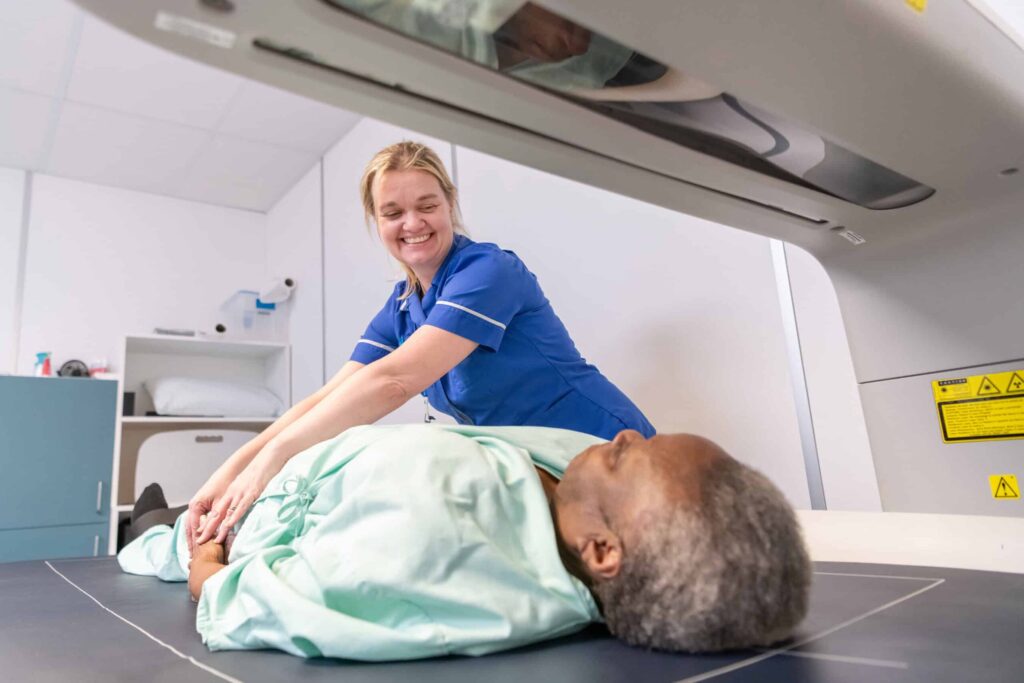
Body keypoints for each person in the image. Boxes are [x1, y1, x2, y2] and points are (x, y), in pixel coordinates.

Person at [187, 141, 654, 552]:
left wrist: (273, 460)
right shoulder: (403, 306)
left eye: (426, 205)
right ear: (377, 221)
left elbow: (394, 381)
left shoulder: (488, 272)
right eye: (392, 213)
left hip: (602, 448)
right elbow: (326, 399)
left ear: (450, 203)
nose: (412, 224)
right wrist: (229, 471)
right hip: (536, 466)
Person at [122, 424, 811, 658]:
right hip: (274, 470)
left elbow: (243, 597)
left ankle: (147, 517)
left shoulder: (436, 560)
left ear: (604, 550)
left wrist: (206, 554)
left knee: (154, 524)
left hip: (234, 516)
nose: (626, 435)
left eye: (632, 457)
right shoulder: (579, 483)